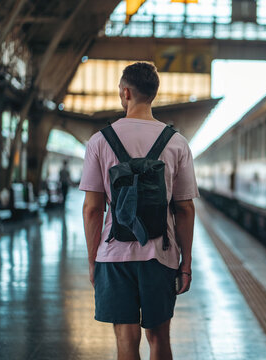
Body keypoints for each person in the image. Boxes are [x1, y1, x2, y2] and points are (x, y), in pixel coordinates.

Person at [79, 62, 198, 360]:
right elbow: (185, 209)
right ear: (153, 94)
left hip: (114, 255)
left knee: (126, 338)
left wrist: (93, 260)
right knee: (159, 337)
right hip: (161, 254)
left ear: (126, 92)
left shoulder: (99, 141)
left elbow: (92, 210)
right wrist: (186, 263)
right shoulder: (176, 142)